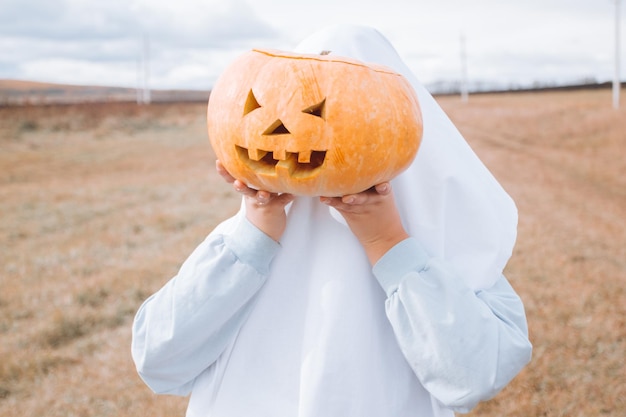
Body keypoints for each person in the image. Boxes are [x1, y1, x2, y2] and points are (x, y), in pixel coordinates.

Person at [131, 25, 532, 417]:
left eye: (316, 111)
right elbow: (158, 359)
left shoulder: (448, 240)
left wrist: (389, 244)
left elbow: (474, 376)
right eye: (261, 104)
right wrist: (254, 233)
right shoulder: (239, 243)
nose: (282, 129)